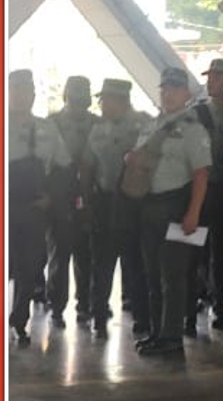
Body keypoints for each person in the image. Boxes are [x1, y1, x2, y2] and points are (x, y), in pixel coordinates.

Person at [129, 67, 211, 356]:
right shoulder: (151, 126)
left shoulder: (193, 128)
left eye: (175, 89)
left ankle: (172, 337)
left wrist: (194, 214)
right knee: (151, 274)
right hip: (150, 206)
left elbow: (201, 174)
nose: (168, 94)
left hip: (178, 206)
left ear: (187, 95)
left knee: (173, 277)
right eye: (164, 89)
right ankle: (156, 332)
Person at [8, 70, 71, 345]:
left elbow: (64, 168)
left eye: (27, 91)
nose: (23, 95)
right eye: (17, 90)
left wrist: (52, 198)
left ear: (33, 94)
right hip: (0, 209)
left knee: (30, 266)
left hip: (34, 209)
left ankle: (19, 320)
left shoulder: (47, 129)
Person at [87, 78, 146, 339]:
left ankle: (143, 318)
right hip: (104, 202)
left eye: (105, 99)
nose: (101, 104)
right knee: (102, 261)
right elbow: (87, 164)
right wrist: (86, 200)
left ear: (120, 100)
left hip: (133, 203)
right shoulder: (98, 129)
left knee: (135, 263)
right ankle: (98, 315)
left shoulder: (143, 124)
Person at [194, 58, 223, 334]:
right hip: (201, 189)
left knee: (222, 253)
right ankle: (194, 302)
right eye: (210, 76)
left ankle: (220, 306)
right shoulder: (197, 113)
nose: (210, 82)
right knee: (194, 249)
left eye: (217, 77)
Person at [47, 75, 99, 328]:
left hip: (89, 192)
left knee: (86, 252)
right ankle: (57, 306)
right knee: (60, 252)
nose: (80, 97)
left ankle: (85, 303)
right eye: (76, 92)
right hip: (61, 192)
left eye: (83, 92)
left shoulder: (97, 124)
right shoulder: (52, 123)